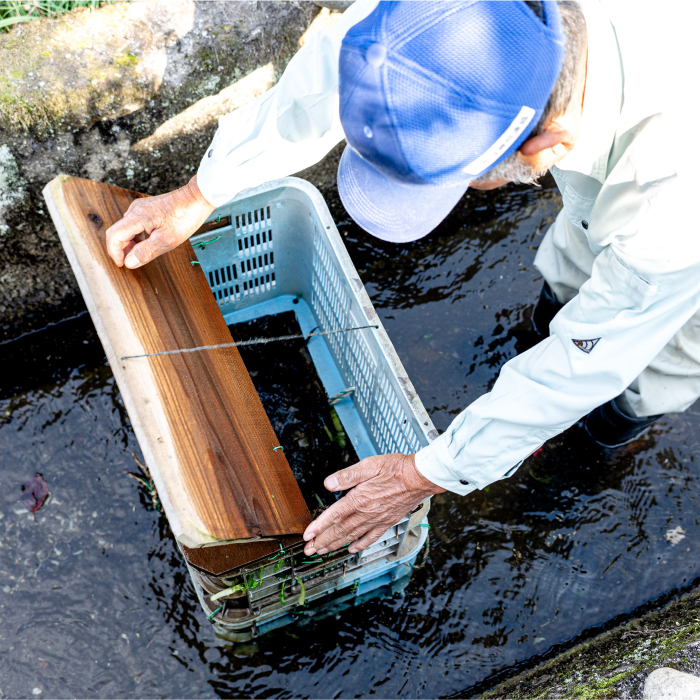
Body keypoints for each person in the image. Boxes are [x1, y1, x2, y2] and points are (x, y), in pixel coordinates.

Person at [105, 1, 694, 559]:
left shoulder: (670, 199)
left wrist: (424, 474)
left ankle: (604, 443)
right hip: (617, 174)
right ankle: (541, 337)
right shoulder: (445, 19)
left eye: (458, 177)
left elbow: (591, 357)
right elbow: (338, 66)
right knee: (574, 262)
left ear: (546, 148)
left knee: (653, 363)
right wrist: (202, 190)